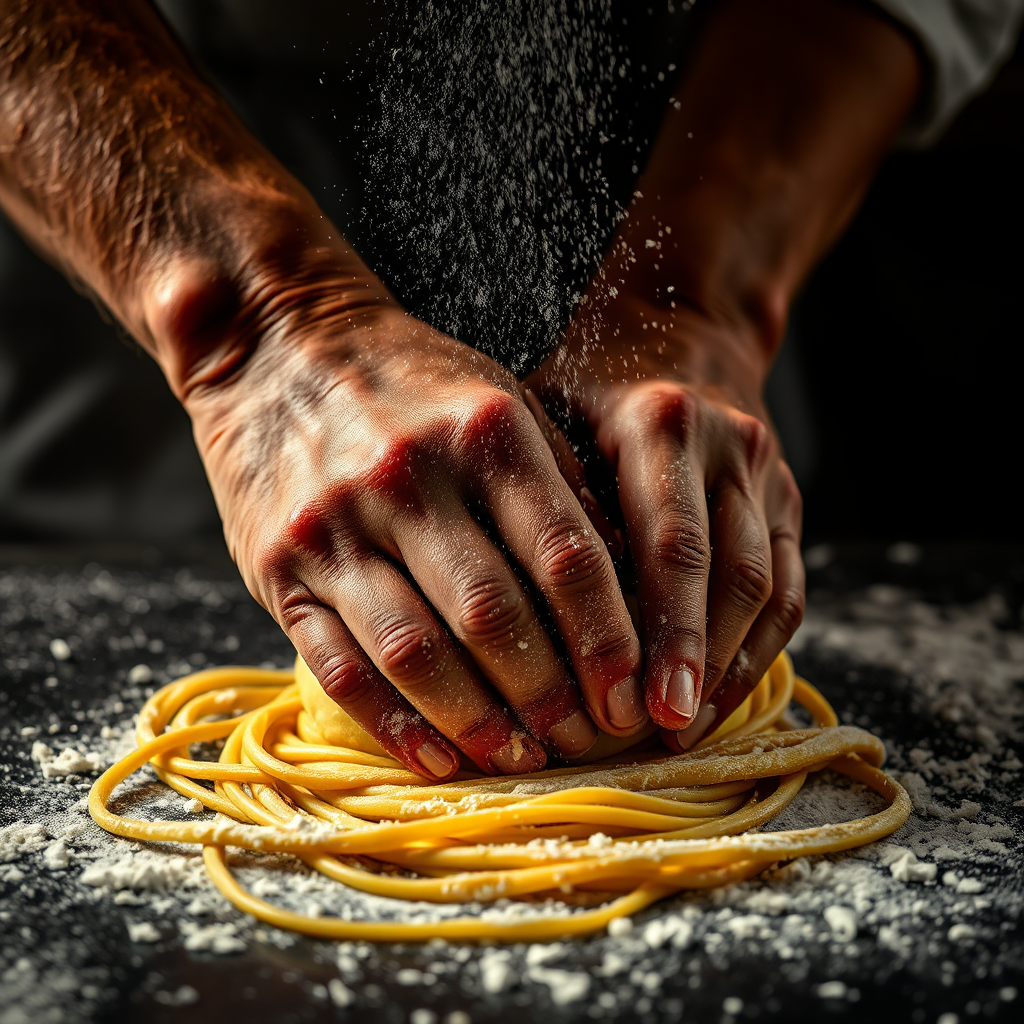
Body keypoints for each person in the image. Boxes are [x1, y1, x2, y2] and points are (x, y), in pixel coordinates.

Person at [0, 0, 1019, 780]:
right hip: (138, 131)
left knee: (681, 552)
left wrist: (694, 302)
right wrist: (257, 324)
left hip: (697, 137)